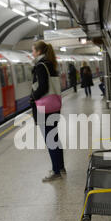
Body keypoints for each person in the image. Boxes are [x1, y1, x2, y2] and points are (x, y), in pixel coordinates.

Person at [30, 40, 66, 182]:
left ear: (38, 52)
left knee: (50, 139)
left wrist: (33, 97)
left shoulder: (40, 66)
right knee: (55, 138)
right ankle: (60, 166)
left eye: (33, 50)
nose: (32, 53)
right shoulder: (51, 64)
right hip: (53, 106)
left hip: (44, 108)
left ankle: (56, 171)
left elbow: (43, 87)